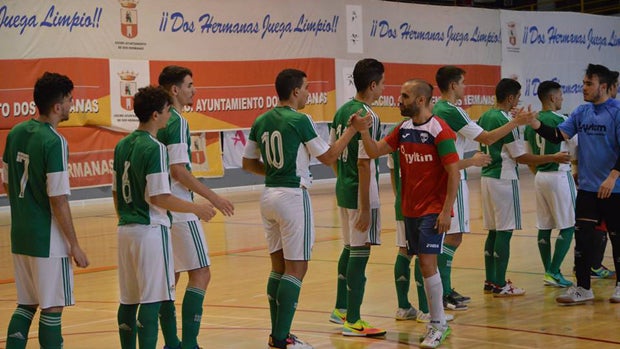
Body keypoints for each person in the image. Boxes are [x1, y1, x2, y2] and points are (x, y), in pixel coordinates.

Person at [242, 68, 361, 349]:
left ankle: (278, 334)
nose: (309, 92)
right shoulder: (300, 119)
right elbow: (330, 155)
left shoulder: (261, 120)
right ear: (295, 91)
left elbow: (248, 164)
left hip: (268, 195)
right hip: (293, 196)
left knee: (278, 268)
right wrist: (354, 129)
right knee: (297, 268)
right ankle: (282, 338)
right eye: (306, 88)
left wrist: (275, 172)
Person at [352, 78, 459, 348]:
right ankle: (431, 318)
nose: (399, 100)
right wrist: (364, 132)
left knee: (427, 264)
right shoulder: (403, 129)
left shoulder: (440, 131)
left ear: (420, 100)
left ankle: (437, 325)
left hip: (432, 211)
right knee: (421, 265)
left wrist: (446, 211)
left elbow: (453, 173)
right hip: (409, 210)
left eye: (404, 96)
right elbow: (375, 151)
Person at [113, 86, 215, 349]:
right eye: (168, 110)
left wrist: (126, 215)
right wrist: (197, 208)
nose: (171, 115)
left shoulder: (122, 145)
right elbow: (159, 198)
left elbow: (116, 192)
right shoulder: (155, 148)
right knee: (152, 299)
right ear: (156, 114)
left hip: (125, 229)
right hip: (150, 229)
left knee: (128, 300)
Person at [432, 66, 534, 309]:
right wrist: (517, 122)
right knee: (454, 236)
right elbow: (488, 138)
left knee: (454, 235)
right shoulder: (451, 110)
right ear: (453, 85)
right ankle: (444, 293)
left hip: (457, 176)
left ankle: (447, 290)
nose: (465, 87)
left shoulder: (438, 109)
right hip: (459, 177)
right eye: (463, 82)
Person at [2, 72, 90, 349]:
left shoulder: (15, 132)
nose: (71, 105)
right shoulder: (55, 141)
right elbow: (58, 199)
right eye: (69, 100)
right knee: (52, 308)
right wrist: (74, 244)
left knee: (26, 303)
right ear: (57, 106)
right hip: (47, 239)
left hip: (20, 235)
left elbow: (5, 182)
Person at [157, 65, 235, 349]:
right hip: (178, 206)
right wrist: (213, 198)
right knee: (201, 272)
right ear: (175, 90)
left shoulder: (154, 120)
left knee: (170, 278)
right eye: (190, 85)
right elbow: (178, 170)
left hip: (158, 207)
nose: (195, 90)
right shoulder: (176, 120)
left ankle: (171, 343)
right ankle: (188, 344)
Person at [530, 64, 620, 305]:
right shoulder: (581, 112)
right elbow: (558, 135)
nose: (583, 88)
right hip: (588, 189)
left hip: (615, 188)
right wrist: (534, 124)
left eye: (589, 84)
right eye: (583, 83)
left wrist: (612, 177)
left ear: (603, 86)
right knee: (583, 238)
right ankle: (583, 288)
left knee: (617, 238)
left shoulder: (617, 111)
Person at [389, 116, 489, 322]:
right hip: (420, 204)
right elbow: (445, 167)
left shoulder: (398, 136)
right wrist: (471, 161)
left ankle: (403, 306)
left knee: (405, 251)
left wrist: (398, 195)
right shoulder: (429, 135)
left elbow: (392, 171)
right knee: (423, 256)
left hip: (403, 200)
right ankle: (427, 311)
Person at [478, 78, 570, 297]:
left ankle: (491, 279)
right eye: (518, 97)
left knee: (492, 231)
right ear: (510, 98)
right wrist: (553, 157)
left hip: (486, 177)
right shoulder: (505, 120)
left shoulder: (485, 115)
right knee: (504, 231)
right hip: (504, 178)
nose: (519, 101)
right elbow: (520, 157)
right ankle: (501, 283)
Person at [328, 58, 386, 337]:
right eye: (382, 83)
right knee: (360, 253)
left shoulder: (341, 112)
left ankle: (340, 309)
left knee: (349, 248)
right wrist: (365, 207)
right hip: (363, 193)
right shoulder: (368, 117)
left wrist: (343, 177)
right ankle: (354, 319)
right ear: (372, 85)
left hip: (343, 187)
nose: (383, 89)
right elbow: (365, 162)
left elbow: (332, 153)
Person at [523, 81, 576, 287]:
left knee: (544, 226)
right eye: (561, 95)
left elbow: (528, 156)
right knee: (569, 225)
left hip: (540, 177)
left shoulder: (532, 122)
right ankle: (553, 271)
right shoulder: (562, 120)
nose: (562, 99)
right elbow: (575, 149)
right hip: (559, 176)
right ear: (553, 97)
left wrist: (538, 172)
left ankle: (548, 272)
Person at [588, 70, 619, 280]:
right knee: (599, 226)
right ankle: (593, 264)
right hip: (603, 182)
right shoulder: (592, 111)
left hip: (607, 181)